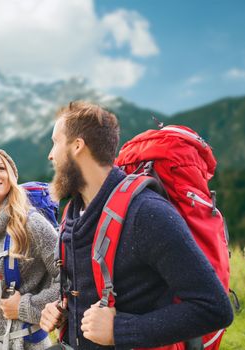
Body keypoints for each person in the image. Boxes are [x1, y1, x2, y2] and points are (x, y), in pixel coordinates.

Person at [39, 101, 233, 349]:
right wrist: (62, 310)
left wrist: (120, 330)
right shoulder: (72, 213)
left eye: (55, 142)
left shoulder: (146, 213)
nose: (50, 154)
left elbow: (214, 309)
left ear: (77, 146)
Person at [0, 147, 59, 350]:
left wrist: (25, 306)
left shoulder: (32, 225)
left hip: (22, 344)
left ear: (11, 176)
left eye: (0, 168)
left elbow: (71, 279)